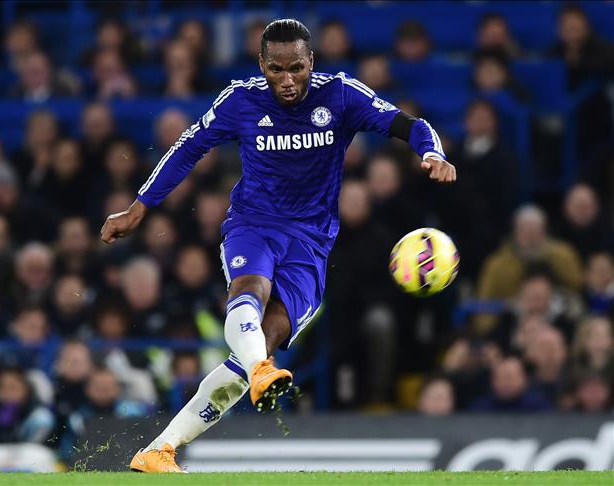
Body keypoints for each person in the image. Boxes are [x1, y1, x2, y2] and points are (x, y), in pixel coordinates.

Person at [100, 19, 456, 473]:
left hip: (311, 243)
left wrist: (432, 153)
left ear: (311, 62)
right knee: (250, 291)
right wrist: (139, 207)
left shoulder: (341, 95)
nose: (287, 80)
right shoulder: (240, 100)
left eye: (296, 68)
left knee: (256, 349)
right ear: (261, 65)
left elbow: (409, 124)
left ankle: (159, 450)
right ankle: (258, 371)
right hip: (254, 225)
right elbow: (188, 148)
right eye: (276, 69)